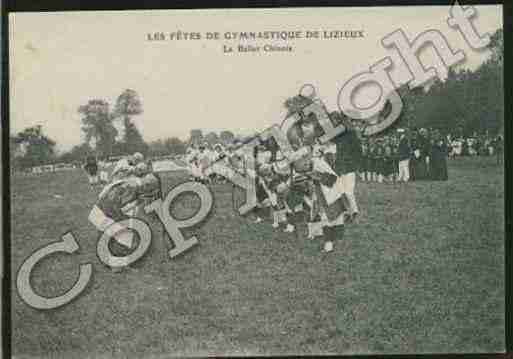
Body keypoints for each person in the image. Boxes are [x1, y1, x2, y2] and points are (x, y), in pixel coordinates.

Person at [331, 115, 362, 221]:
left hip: (348, 167)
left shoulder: (352, 135)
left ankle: (354, 212)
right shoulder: (338, 136)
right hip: (340, 167)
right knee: (341, 191)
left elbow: (358, 152)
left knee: (348, 192)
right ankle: (349, 212)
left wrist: (356, 165)